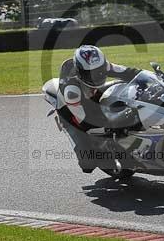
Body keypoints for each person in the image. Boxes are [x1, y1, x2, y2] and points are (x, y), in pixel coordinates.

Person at [57, 45, 141, 173]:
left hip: (91, 93)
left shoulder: (103, 66)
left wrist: (157, 78)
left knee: (122, 89)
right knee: (88, 163)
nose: (97, 76)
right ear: (80, 72)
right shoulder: (71, 91)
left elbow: (129, 72)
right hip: (72, 112)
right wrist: (111, 127)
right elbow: (84, 121)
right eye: (90, 74)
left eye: (99, 71)